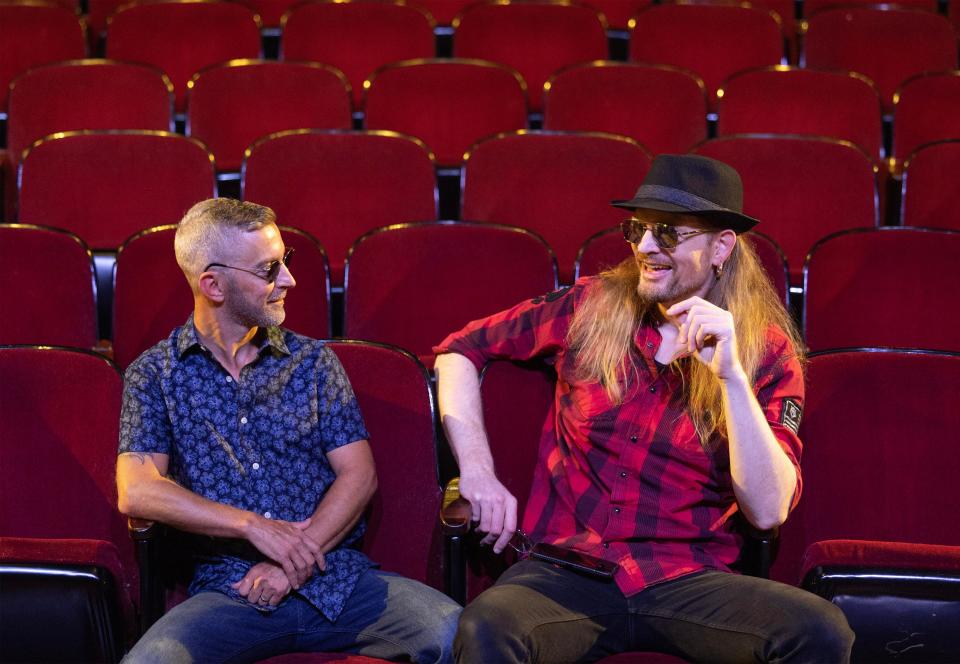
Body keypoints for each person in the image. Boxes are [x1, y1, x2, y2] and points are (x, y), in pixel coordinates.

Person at [433, 155, 854, 663]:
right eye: (638, 229)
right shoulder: (587, 307)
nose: (646, 248)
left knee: (820, 630)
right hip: (565, 573)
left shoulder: (765, 351)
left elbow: (767, 511)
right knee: (488, 626)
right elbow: (459, 350)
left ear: (721, 246)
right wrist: (476, 471)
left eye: (669, 233)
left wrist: (731, 378)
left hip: (689, 579)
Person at [117, 198, 461, 664]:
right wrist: (253, 527)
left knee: (460, 635)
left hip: (336, 578)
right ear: (213, 285)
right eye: (268, 269)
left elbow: (359, 476)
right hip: (233, 590)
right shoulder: (154, 374)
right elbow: (138, 491)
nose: (289, 280)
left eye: (286, 261)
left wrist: (290, 563)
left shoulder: (313, 362)